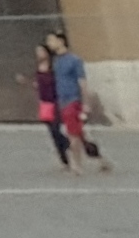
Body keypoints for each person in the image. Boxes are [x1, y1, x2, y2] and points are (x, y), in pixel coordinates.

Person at [46, 31, 112, 172]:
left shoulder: (74, 60)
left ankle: (76, 164)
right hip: (62, 101)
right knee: (80, 134)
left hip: (73, 101)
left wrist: (86, 103)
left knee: (72, 134)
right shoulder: (56, 61)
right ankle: (102, 160)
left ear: (61, 41)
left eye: (51, 40)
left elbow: (82, 82)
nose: (49, 44)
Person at [35, 44, 73, 169]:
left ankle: (71, 144)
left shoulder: (54, 67)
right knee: (52, 132)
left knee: (56, 129)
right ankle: (64, 159)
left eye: (41, 51)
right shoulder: (39, 67)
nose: (38, 54)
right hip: (44, 103)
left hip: (55, 101)